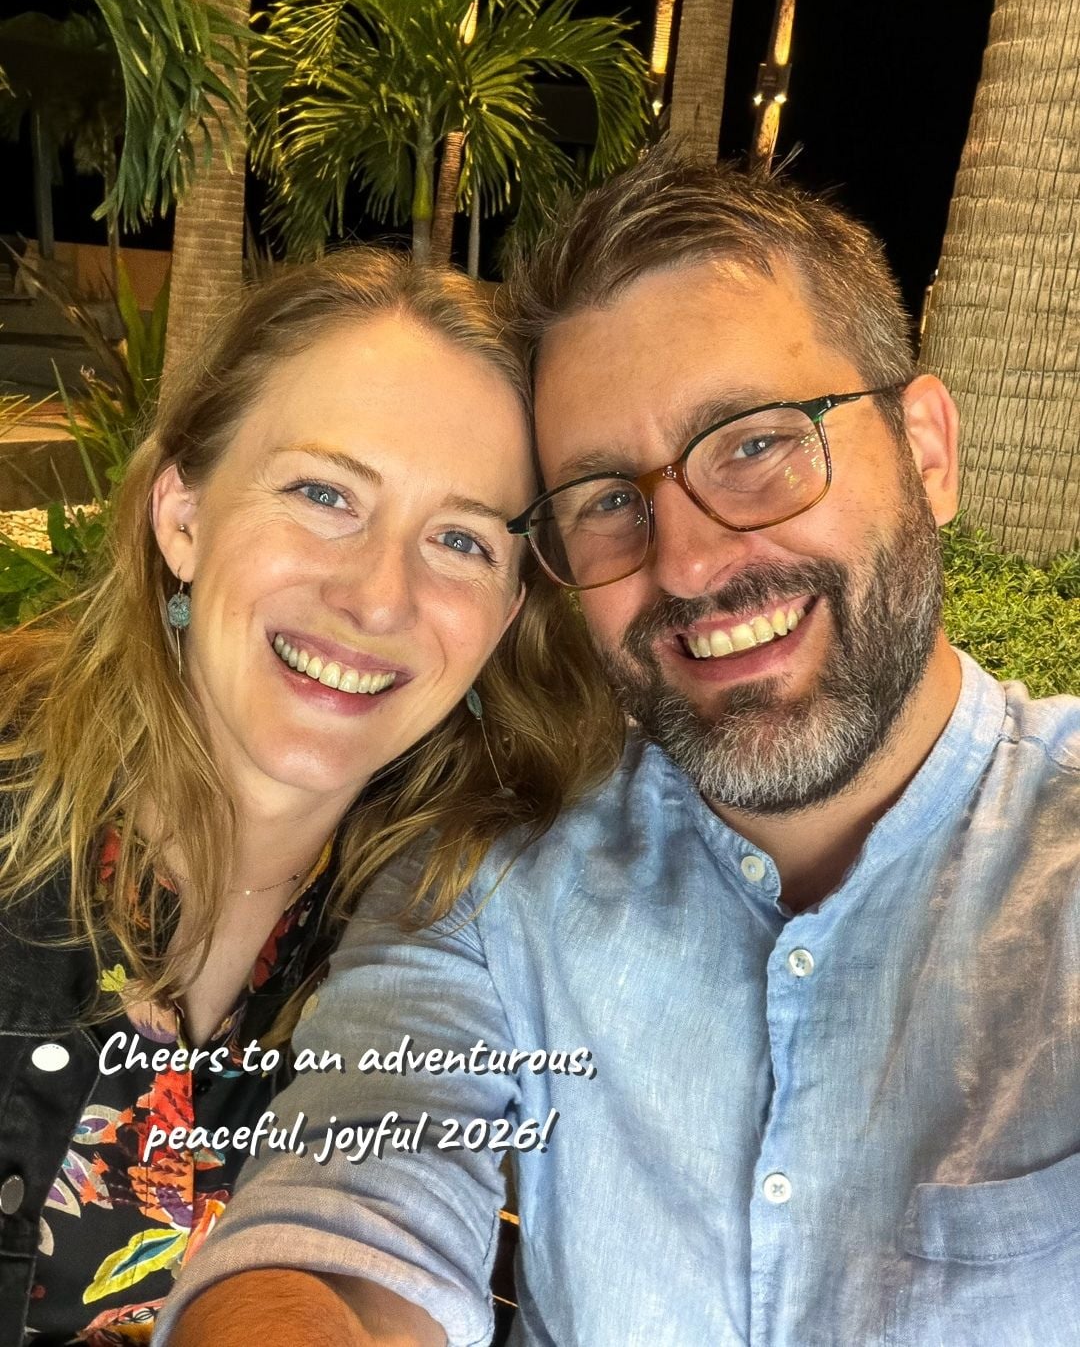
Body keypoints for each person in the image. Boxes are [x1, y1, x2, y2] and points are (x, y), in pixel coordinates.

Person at [159, 152, 1080, 1347]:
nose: (688, 562)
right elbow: (351, 1210)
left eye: (755, 443)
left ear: (929, 451)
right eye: (604, 497)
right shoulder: (498, 882)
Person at [0, 248, 622, 1345]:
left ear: (509, 610)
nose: (379, 596)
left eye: (462, 540)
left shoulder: (459, 924)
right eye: (324, 493)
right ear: (182, 514)